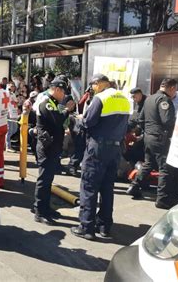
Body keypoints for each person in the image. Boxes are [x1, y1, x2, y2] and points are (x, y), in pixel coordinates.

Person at [71, 74, 130, 240]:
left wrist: (78, 120)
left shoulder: (100, 98)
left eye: (93, 85)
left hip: (98, 148)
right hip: (115, 149)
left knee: (89, 186)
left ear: (99, 84)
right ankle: (104, 226)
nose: (92, 88)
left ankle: (86, 227)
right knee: (107, 188)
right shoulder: (124, 98)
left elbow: (88, 122)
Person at [127, 78, 178, 209]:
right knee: (164, 168)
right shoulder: (164, 100)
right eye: (175, 90)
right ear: (171, 88)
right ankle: (162, 199)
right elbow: (167, 121)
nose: (175, 93)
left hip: (149, 137)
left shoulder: (149, 98)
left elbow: (141, 119)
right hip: (160, 137)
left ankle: (134, 185)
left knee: (148, 163)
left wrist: (148, 131)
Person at [33, 79, 75, 225]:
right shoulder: (46, 103)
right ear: (56, 89)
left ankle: (46, 207)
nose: (64, 95)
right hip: (47, 146)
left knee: (49, 179)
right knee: (43, 179)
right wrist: (67, 110)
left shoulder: (54, 103)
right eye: (63, 91)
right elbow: (57, 120)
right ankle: (39, 211)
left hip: (53, 146)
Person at [6, 82, 19, 152]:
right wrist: (8, 90)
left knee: (14, 129)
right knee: (9, 130)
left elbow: (16, 102)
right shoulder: (6, 93)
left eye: (13, 86)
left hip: (14, 112)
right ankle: (8, 146)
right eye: (11, 86)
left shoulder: (13, 94)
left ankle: (5, 143)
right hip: (9, 112)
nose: (12, 87)